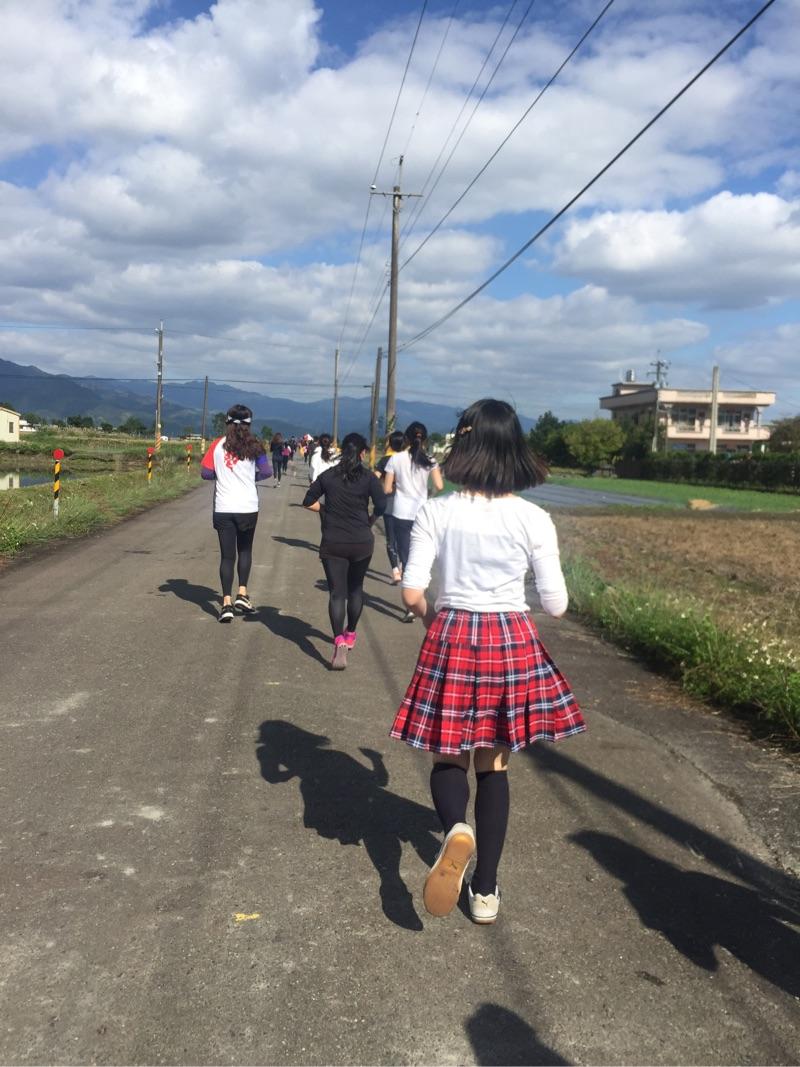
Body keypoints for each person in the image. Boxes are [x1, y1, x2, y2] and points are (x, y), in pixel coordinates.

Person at [389, 398, 585, 924]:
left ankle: (456, 828)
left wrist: (435, 620)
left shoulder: (437, 511)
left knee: (447, 757)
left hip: (453, 633)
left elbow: (412, 593)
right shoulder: (534, 518)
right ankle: (486, 889)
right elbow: (556, 605)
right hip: (510, 639)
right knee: (494, 765)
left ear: (463, 445)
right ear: (515, 449)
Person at [303, 432, 386, 670]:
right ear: (362, 453)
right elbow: (381, 505)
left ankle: (338, 639)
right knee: (356, 589)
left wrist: (325, 510)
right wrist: (370, 521)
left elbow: (308, 501)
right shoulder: (368, 478)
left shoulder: (328, 475)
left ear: (342, 451)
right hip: (361, 541)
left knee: (337, 594)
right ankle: (351, 634)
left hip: (333, 542)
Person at [200, 404, 272, 622]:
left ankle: (226, 604)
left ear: (227, 422)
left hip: (223, 507)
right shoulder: (255, 445)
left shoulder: (217, 444)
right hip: (248, 507)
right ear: (249, 424)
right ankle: (242, 593)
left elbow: (206, 473)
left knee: (227, 556)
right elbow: (266, 472)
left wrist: (223, 476)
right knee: (245, 550)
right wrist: (250, 478)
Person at [383, 421, 444, 619]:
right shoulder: (430, 460)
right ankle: (419, 597)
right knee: (422, 556)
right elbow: (440, 486)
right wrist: (428, 495)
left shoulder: (396, 459)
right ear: (424, 439)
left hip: (401, 513)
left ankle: (412, 605)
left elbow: (387, 489)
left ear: (406, 439)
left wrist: (398, 489)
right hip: (422, 513)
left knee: (406, 558)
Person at [375, 430, 406, 584]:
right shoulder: (410, 460)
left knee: (391, 539)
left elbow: (374, 478)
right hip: (408, 505)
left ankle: (395, 571)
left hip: (390, 503)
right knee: (405, 538)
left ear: (390, 444)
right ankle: (403, 565)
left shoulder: (386, 460)